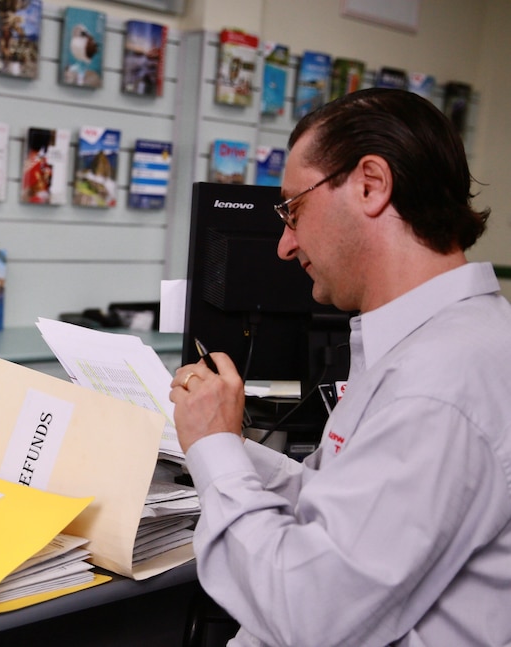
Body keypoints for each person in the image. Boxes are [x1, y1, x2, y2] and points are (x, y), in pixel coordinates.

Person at [170, 88, 511, 646]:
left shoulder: (440, 384)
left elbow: (306, 611)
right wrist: (215, 443)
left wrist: (215, 453)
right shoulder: (426, 346)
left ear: (370, 185)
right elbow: (348, 504)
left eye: (293, 209)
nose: (284, 245)